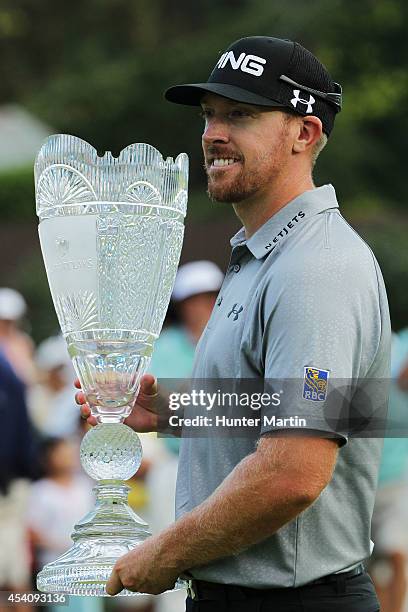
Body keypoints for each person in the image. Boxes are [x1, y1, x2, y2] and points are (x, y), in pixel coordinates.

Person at [76, 36, 390, 611]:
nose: (213, 134)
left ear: (305, 133)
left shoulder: (314, 266)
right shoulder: (265, 254)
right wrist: (175, 408)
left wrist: (165, 553)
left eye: (240, 115)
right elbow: (303, 409)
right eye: (209, 115)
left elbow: (293, 472)